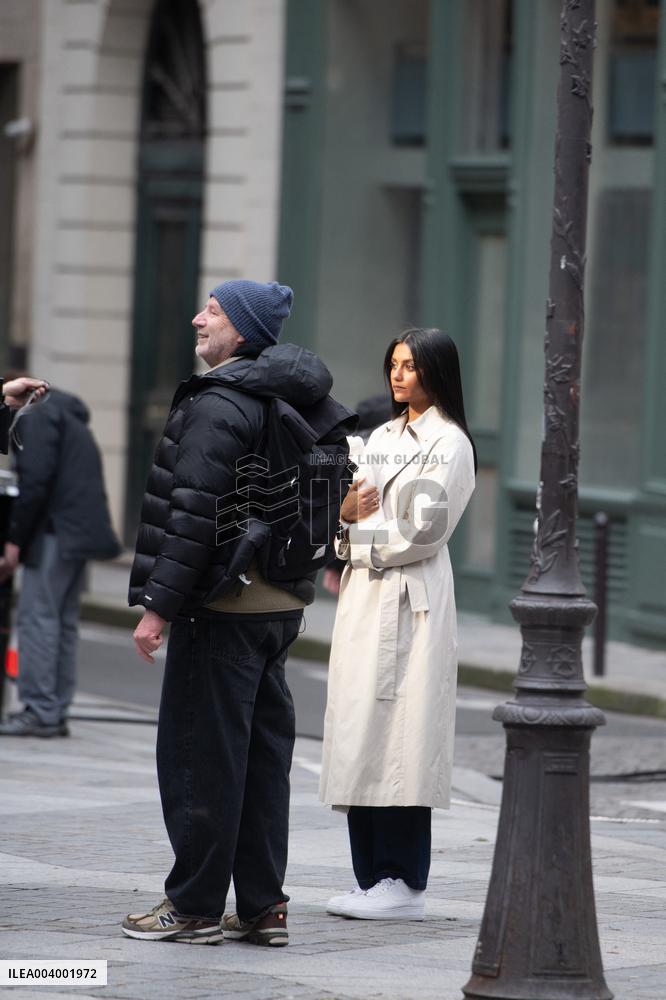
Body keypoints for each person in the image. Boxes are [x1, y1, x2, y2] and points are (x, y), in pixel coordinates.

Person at [122, 279, 351, 948]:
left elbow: (193, 515)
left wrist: (158, 608)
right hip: (281, 608)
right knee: (261, 763)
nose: (199, 319)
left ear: (243, 330)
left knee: (201, 760)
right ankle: (262, 907)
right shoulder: (303, 397)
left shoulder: (220, 403)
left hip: (221, 609)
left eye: (215, 311)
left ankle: (193, 906)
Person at [320, 327, 477, 920]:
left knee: (404, 743)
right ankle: (370, 878)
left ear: (437, 371)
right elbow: (343, 511)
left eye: (410, 365)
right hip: (365, 601)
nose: (398, 374)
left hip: (413, 605)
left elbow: (420, 531)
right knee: (360, 735)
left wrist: (352, 533)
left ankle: (404, 881)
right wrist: (344, 518)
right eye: (394, 363)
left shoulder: (450, 444)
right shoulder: (380, 437)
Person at [0, 386, 121, 738]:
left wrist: (14, 540)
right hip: (78, 533)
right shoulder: (69, 418)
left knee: (37, 618)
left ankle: (40, 710)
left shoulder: (36, 418)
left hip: (54, 532)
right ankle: (54, 709)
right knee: (61, 621)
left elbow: (34, 482)